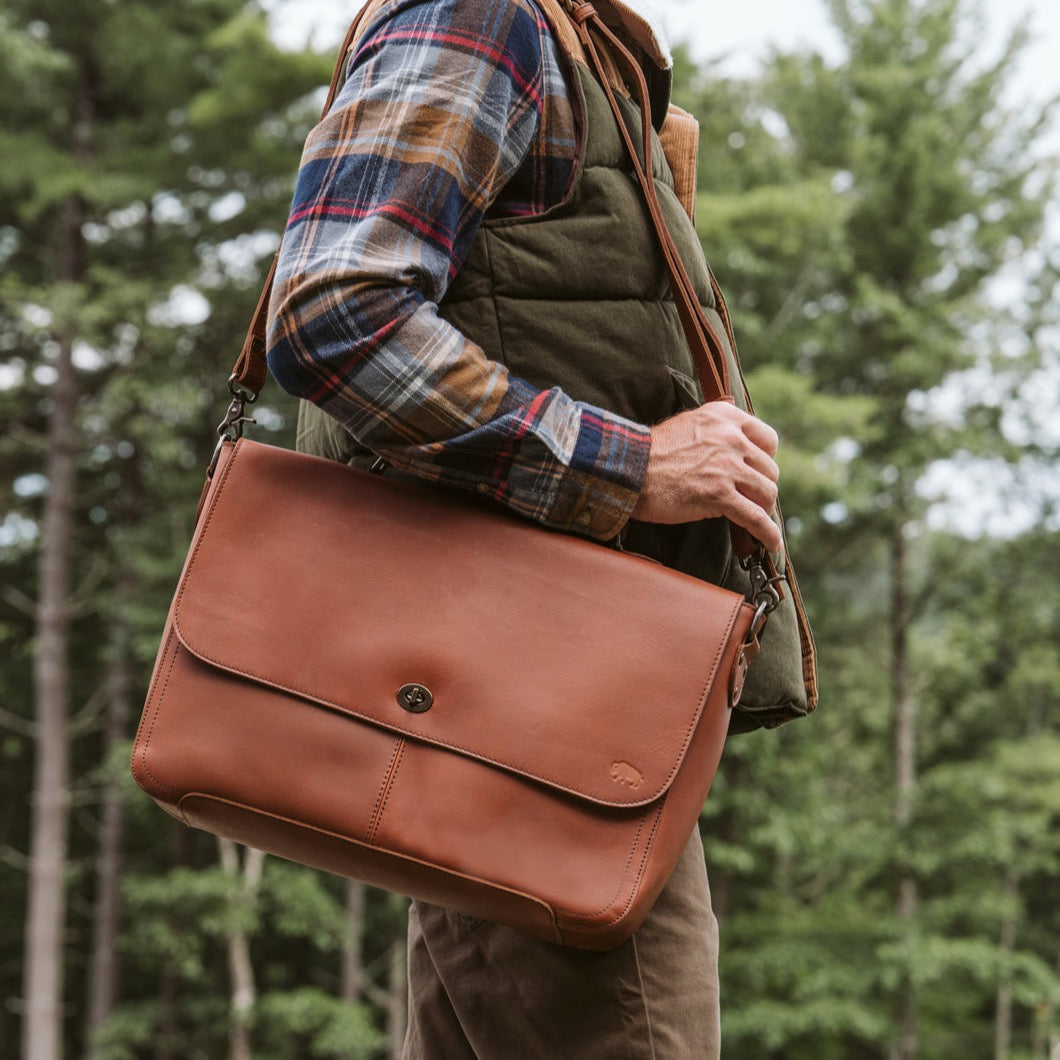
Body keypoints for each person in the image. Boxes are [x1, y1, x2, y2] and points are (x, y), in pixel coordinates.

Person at [266, 0, 815, 1054]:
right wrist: (633, 463)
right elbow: (334, 311)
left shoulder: (576, 40)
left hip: (553, 713)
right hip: (531, 722)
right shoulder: (483, 15)